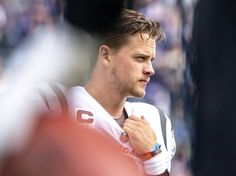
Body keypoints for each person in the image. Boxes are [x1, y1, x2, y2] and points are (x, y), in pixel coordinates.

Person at [68, 8, 176, 176]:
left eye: (151, 60)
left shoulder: (156, 120)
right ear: (106, 55)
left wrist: (153, 156)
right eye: (140, 58)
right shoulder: (59, 104)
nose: (150, 70)